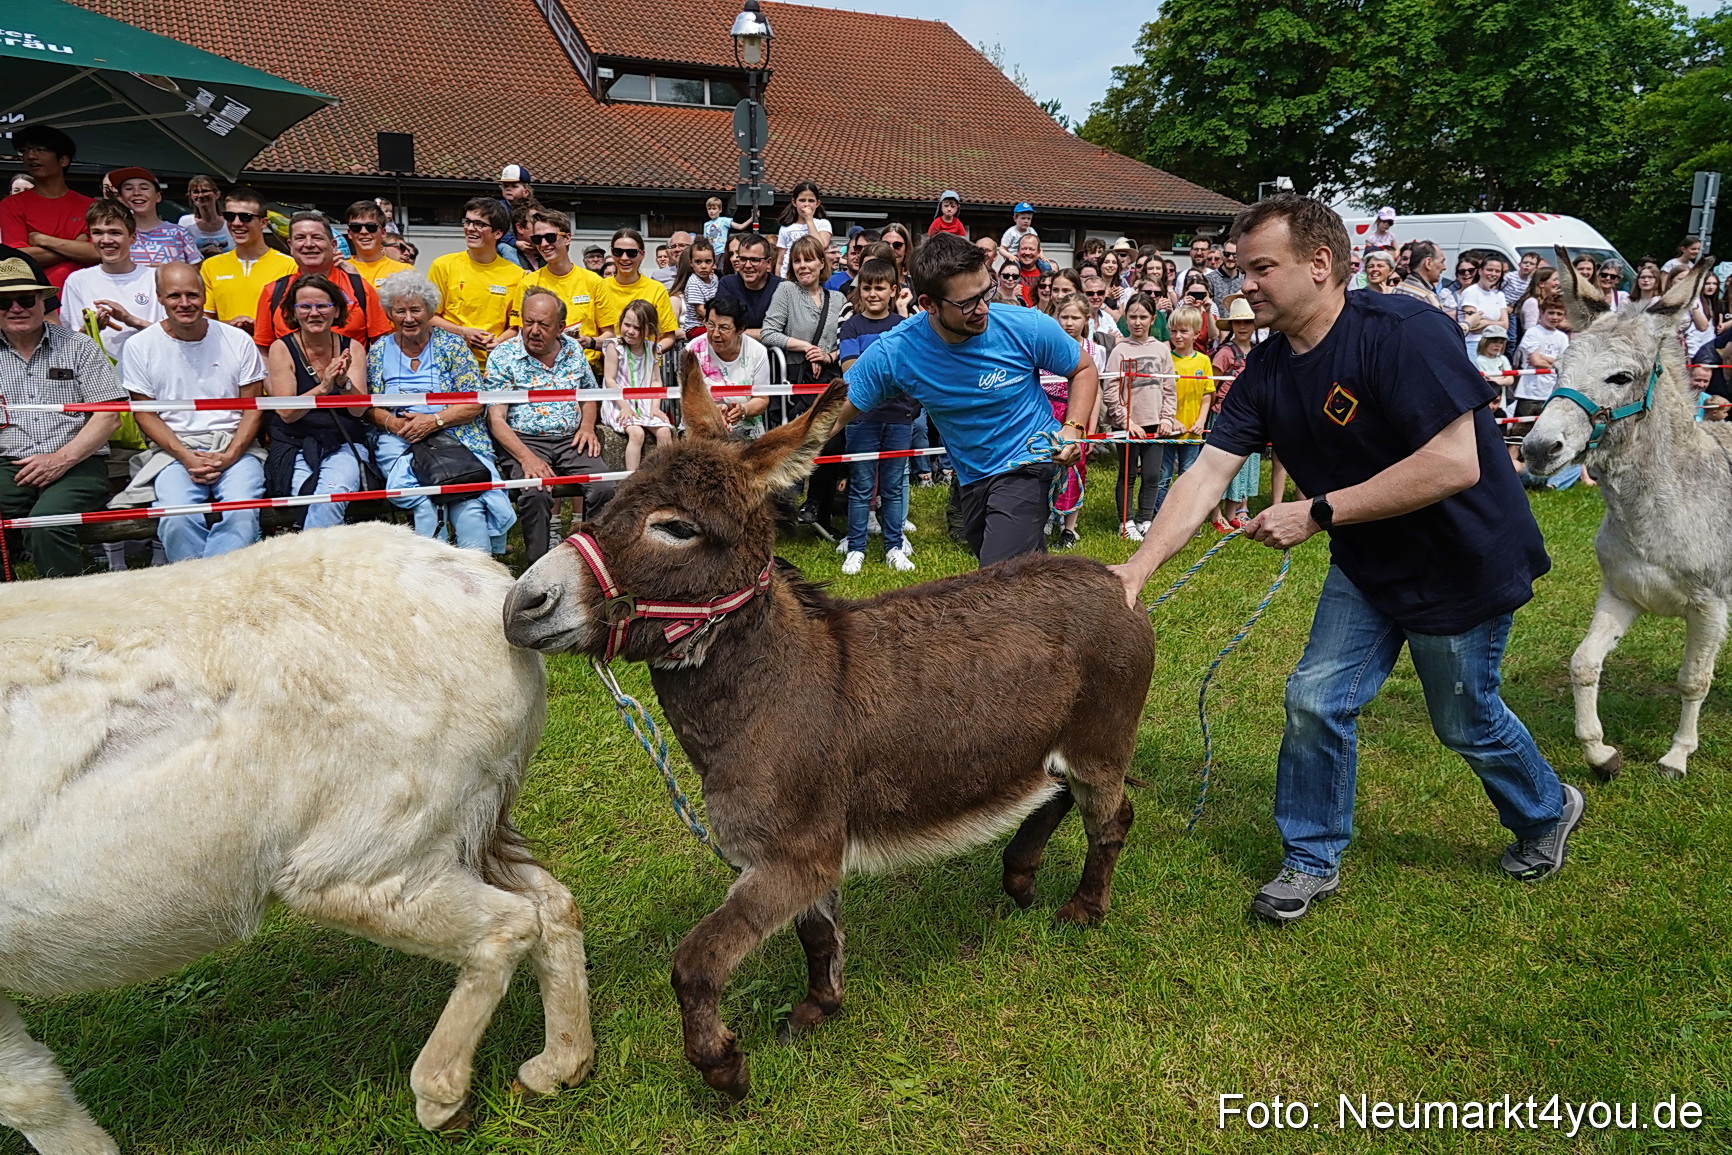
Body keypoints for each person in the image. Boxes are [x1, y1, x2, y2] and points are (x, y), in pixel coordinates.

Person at [1109, 194, 1579, 923]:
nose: (1246, 286)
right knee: (1314, 700)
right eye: (1240, 271)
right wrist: (1135, 573)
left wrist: (1318, 512)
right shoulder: (1266, 370)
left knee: (1464, 720)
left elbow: (1454, 463)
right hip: (1369, 565)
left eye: (1261, 268)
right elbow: (1205, 474)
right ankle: (1310, 857)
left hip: (1462, 561)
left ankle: (1548, 809)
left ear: (1321, 264)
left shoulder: (1404, 333)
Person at [837, 232, 1096, 565]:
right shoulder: (896, 351)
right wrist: (772, 460)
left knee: (998, 577)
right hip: (971, 479)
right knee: (1029, 581)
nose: (983, 308)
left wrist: (1072, 427)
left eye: (985, 292)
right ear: (928, 303)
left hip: (1028, 464)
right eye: (967, 302)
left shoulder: (1026, 326)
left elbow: (1084, 368)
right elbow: (834, 413)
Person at [117, 263, 267, 562]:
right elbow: (144, 413)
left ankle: (217, 587)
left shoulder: (237, 340)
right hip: (173, 450)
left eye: (192, 295)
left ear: (204, 296)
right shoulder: (139, 346)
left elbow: (252, 408)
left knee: (242, 512)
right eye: (174, 296)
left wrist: (230, 455)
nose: (184, 304)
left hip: (235, 445)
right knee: (176, 517)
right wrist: (186, 456)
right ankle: (199, 588)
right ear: (160, 297)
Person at [367, 271, 515, 553]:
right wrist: (393, 423)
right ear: (389, 313)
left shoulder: (452, 345)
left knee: (468, 499)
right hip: (399, 436)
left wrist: (434, 420)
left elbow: (474, 402)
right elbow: (370, 408)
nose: (408, 318)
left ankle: (480, 576)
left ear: (429, 311)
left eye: (415, 310)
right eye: (400, 310)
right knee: (422, 500)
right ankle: (431, 577)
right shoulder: (379, 350)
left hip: (454, 431)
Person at [0, 254, 124, 577]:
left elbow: (109, 415)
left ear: (43, 301)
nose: (16, 308)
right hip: (9, 463)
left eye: (26, 299)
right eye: (4, 301)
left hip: (77, 460)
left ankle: (67, 610)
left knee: (46, 523)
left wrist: (60, 460)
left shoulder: (79, 346)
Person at [486, 287, 615, 563]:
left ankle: (589, 558)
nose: (533, 330)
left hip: (571, 439)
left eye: (543, 325)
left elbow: (588, 395)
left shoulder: (573, 350)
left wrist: (587, 427)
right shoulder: (504, 356)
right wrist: (526, 458)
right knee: (535, 493)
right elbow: (496, 420)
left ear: (560, 327)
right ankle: (537, 565)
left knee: (605, 486)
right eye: (528, 322)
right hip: (524, 440)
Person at [261, 273, 371, 529]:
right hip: (295, 443)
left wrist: (343, 383)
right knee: (306, 496)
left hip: (343, 441)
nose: (314, 313)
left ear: (336, 310)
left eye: (322, 306)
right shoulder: (281, 348)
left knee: (332, 494)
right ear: (293, 312)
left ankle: (312, 562)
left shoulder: (352, 347)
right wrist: (322, 388)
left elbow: (359, 411)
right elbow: (286, 413)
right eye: (305, 307)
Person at [835, 257, 917, 573]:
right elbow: (849, 370)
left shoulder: (901, 326)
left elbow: (906, 369)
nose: (872, 294)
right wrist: (886, 370)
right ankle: (856, 548)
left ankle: (894, 547)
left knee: (894, 486)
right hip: (861, 417)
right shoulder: (852, 326)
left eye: (879, 288)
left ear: (893, 291)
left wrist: (881, 372)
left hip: (898, 414)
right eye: (867, 287)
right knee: (861, 486)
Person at [250, 213, 393, 354]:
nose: (309, 244)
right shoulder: (274, 292)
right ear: (291, 246)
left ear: (333, 245)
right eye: (300, 238)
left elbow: (381, 345)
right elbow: (264, 350)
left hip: (350, 375)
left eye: (317, 237)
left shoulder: (360, 288)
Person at [60, 199, 164, 364]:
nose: (106, 240)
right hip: (99, 376)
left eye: (115, 233)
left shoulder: (155, 277)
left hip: (150, 370)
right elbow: (71, 343)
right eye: (98, 233)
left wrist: (131, 320)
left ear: (133, 237)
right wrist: (91, 327)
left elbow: (174, 336)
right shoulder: (77, 281)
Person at [1043, 292, 1106, 549]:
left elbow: (1096, 391)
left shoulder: (1095, 350)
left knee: (1074, 469)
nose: (1069, 323)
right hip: (1048, 411)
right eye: (1064, 317)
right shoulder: (1047, 347)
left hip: (1076, 413)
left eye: (1075, 317)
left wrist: (1091, 427)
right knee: (1045, 466)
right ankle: (1045, 513)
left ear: (1086, 320)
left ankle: (1069, 526)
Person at [429, 197, 524, 364]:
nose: (470, 229)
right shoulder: (443, 265)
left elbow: (515, 327)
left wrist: (497, 343)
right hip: (447, 364)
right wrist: (463, 332)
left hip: (493, 367)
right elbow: (429, 317)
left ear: (498, 233)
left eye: (479, 224)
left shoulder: (517, 275)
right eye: (467, 222)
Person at [1, 125, 95, 291]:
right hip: (33, 301)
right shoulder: (11, 204)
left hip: (85, 299)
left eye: (40, 149)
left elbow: (98, 252)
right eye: (25, 150)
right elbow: (18, 259)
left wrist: (42, 240)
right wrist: (75, 246)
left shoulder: (90, 206)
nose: (30, 156)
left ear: (63, 160)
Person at [198, 186, 296, 335]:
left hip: (272, 351)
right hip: (227, 350)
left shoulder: (289, 265)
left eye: (245, 217)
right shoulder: (211, 266)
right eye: (230, 217)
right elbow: (204, 318)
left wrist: (260, 326)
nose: (236, 223)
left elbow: (295, 317)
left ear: (263, 223)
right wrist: (230, 325)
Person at [513, 209, 604, 363]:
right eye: (537, 239)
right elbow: (519, 333)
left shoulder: (594, 281)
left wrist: (587, 342)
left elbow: (610, 335)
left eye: (550, 237)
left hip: (586, 366)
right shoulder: (528, 283)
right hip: (540, 368)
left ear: (567, 238)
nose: (544, 244)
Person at [599, 298, 674, 470]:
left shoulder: (653, 348)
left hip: (645, 402)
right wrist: (624, 406)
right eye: (627, 325)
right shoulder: (614, 346)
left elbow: (656, 380)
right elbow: (610, 379)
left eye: (637, 328)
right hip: (618, 402)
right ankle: (632, 478)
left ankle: (664, 476)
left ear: (649, 329)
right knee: (637, 433)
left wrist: (656, 406)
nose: (630, 331)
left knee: (664, 431)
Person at [1210, 296, 1261, 530]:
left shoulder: (1260, 352)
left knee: (1245, 465)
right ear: (1231, 326)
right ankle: (1216, 513)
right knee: (1220, 465)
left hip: (1251, 414)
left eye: (1248, 322)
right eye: (1238, 323)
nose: (1243, 327)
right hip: (1225, 414)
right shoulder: (1225, 353)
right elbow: (1213, 384)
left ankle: (1236, 510)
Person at [688, 295, 772, 436]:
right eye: (710, 325)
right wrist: (712, 412)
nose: (715, 334)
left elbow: (762, 399)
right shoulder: (693, 351)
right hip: (703, 427)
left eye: (724, 328)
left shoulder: (757, 352)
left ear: (740, 329)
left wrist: (743, 410)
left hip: (746, 428)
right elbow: (688, 399)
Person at [107, 168, 201, 267]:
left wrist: (168, 271)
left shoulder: (179, 232)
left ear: (158, 197)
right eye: (129, 189)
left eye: (144, 188)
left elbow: (197, 270)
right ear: (122, 198)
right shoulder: (116, 235)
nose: (136, 193)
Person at [714, 233, 782, 337]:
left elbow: (782, 331)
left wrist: (739, 333)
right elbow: (724, 328)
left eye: (755, 260)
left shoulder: (781, 287)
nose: (748, 265)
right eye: (743, 259)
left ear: (768, 263)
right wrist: (768, 334)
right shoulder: (727, 284)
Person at [343, 200, 413, 286]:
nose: (363, 231)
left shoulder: (404, 271)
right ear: (349, 233)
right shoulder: (340, 269)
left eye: (371, 227)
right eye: (356, 227)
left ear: (383, 232)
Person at [774, 182, 832, 276]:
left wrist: (809, 219)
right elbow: (780, 261)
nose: (806, 204)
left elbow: (821, 245)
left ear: (817, 203)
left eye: (811, 201)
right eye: (802, 200)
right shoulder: (786, 228)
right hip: (788, 277)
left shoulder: (823, 224)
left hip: (812, 275)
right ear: (794, 202)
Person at [1458, 256, 1509, 355]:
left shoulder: (1499, 295)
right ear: (1480, 271)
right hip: (1473, 344)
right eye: (1489, 270)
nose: (1493, 274)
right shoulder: (1471, 292)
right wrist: (1495, 323)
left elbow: (1505, 325)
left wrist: (1485, 322)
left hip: (1495, 347)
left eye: (1497, 271)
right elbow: (1472, 325)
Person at [671, 240, 721, 336]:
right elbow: (700, 310)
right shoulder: (694, 282)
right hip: (695, 327)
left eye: (708, 262)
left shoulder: (714, 279)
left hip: (709, 323)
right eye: (698, 262)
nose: (703, 266)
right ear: (691, 263)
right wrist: (718, 320)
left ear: (714, 262)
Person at [178, 175, 233, 258]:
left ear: (217, 195)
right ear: (190, 197)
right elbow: (180, 253)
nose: (200, 195)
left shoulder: (230, 221)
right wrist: (205, 251)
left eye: (205, 191)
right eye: (196, 192)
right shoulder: (186, 222)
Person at [1392, 239, 1447, 311]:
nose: (1444, 267)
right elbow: (1441, 322)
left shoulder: (1397, 289)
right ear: (1428, 263)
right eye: (1442, 262)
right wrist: (1467, 320)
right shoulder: (1427, 298)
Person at [1204, 239, 1244, 309]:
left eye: (1235, 255)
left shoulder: (1245, 279)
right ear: (1222, 254)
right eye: (1227, 254)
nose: (1230, 258)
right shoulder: (1209, 279)